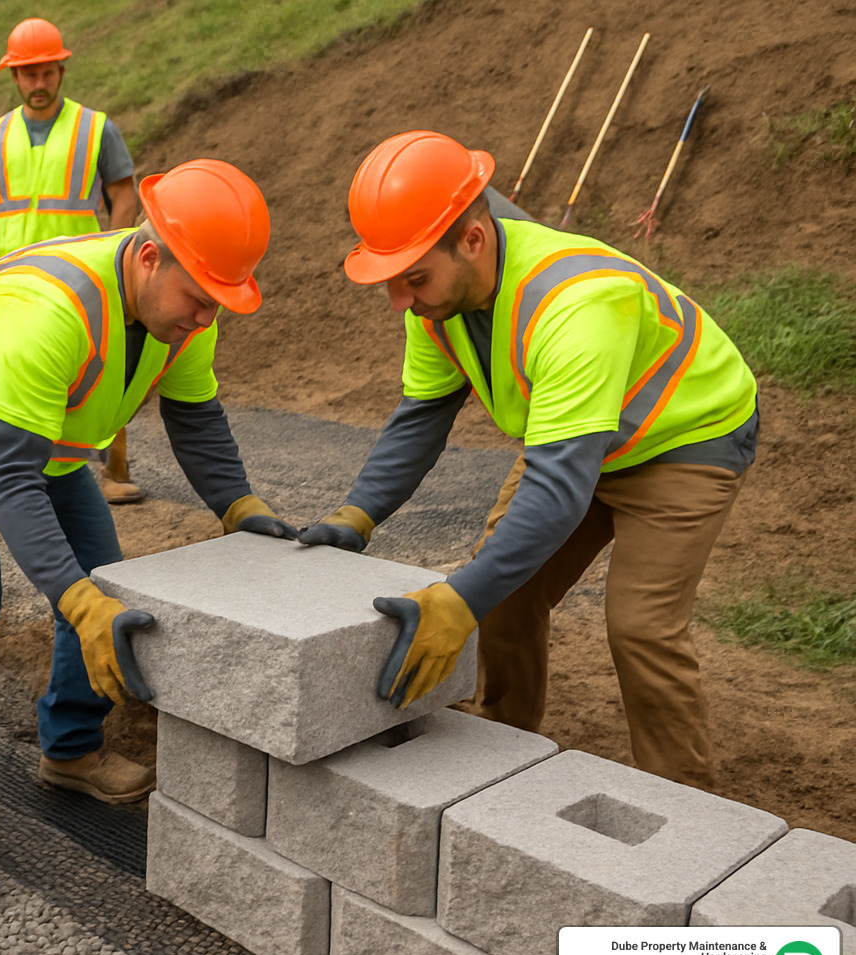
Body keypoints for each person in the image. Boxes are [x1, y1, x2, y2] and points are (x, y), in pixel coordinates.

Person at [0, 159, 296, 914]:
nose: (205, 319)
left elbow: (194, 416)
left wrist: (239, 507)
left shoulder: (183, 308)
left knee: (105, 581)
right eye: (199, 301)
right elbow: (7, 481)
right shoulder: (53, 310)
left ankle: (69, 748)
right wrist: (72, 598)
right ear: (147, 256)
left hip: (50, 442)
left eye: (217, 306)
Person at [304, 130, 758, 790]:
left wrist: (458, 603)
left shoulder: (576, 301)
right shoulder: (436, 301)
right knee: (506, 589)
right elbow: (423, 415)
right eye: (391, 281)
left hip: (683, 438)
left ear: (474, 241)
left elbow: (556, 491)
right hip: (573, 435)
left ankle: (684, 805)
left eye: (413, 278)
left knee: (640, 627)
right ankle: (501, 743)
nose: (401, 299)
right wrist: (356, 514)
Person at [0, 16, 146, 504]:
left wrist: (116, 247)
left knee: (95, 370)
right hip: (13, 277)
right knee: (9, 369)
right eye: (28, 74)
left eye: (47, 73)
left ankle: (114, 469)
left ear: (61, 71)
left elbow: (126, 195)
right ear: (13, 76)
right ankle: (21, 469)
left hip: (79, 278)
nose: (38, 84)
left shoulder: (95, 128)